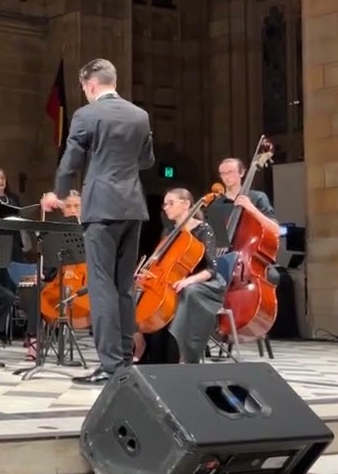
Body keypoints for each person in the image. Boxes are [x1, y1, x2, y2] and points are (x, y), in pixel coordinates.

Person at [41, 58, 154, 385]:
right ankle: (124, 360)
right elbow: (147, 160)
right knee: (123, 288)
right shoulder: (140, 116)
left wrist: (59, 194)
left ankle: (108, 365)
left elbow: (70, 161)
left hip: (102, 207)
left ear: (91, 84)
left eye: (84, 88)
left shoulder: (87, 115)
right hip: (133, 206)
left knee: (102, 287)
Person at [134, 188, 225, 364]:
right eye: (165, 204)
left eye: (171, 203)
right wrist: (147, 276)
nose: (166, 208)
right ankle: (140, 343)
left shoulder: (203, 229)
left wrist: (188, 280)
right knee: (134, 292)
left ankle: (181, 353)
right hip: (170, 281)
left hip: (200, 283)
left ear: (186, 204)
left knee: (187, 292)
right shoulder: (169, 231)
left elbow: (211, 269)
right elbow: (161, 265)